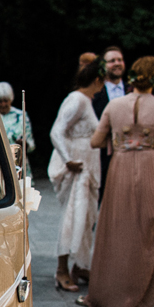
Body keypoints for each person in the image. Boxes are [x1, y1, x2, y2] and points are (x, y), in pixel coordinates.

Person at [78, 56, 154, 307]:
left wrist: (119, 140)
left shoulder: (114, 104)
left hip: (120, 168)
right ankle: (137, 293)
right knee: (145, 233)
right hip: (152, 167)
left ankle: (107, 294)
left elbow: (95, 142)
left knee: (116, 230)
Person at [49, 58, 105, 291]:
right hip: (78, 166)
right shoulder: (78, 100)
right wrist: (68, 159)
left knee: (87, 217)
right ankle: (62, 269)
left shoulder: (87, 101)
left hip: (88, 164)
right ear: (97, 80)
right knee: (74, 217)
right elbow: (57, 131)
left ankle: (80, 265)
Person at [94, 46, 128, 201]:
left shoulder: (132, 90)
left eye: (120, 60)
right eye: (112, 61)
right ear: (103, 65)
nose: (117, 63)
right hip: (101, 154)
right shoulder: (95, 92)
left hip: (128, 151)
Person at [0, 82, 35, 157]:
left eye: (5, 101)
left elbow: (31, 145)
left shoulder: (21, 116)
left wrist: (24, 145)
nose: (3, 104)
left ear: (11, 99)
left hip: (17, 161)